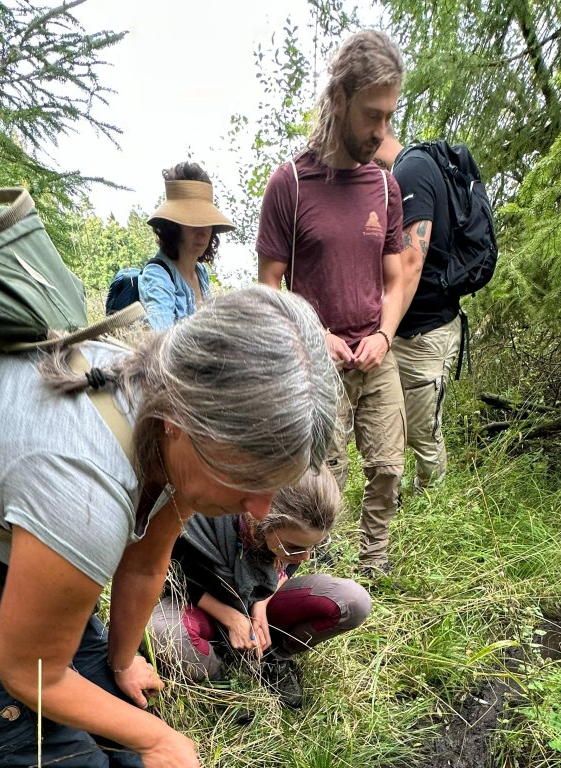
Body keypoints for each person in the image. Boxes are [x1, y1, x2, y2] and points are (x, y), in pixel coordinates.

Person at [0, 287, 337, 768]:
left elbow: (146, 565)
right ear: (186, 423)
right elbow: (29, 672)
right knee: (49, 742)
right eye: (251, 479)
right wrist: (155, 736)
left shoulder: (157, 406)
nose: (259, 509)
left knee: (97, 673)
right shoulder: (83, 488)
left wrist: (121, 661)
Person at [257, 30, 407, 580]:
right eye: (372, 115)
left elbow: (394, 279)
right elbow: (269, 285)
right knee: (326, 474)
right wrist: (312, 333)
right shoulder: (291, 184)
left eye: (389, 116)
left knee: (388, 466)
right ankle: (317, 566)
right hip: (318, 361)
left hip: (376, 351)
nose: (381, 132)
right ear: (339, 99)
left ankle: (374, 563)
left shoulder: (387, 188)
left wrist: (385, 336)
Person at [148, 467, 372, 709]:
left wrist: (261, 604)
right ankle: (222, 680)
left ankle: (273, 658)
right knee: (160, 629)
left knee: (353, 601)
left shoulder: (292, 540)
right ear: (262, 517)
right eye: (295, 547)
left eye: (314, 546)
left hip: (258, 603)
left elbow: (284, 569)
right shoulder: (201, 516)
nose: (305, 557)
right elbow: (176, 575)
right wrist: (231, 618)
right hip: (202, 604)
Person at [374, 133, 462, 491]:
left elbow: (411, 262)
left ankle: (430, 510)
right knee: (395, 426)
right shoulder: (415, 167)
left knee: (423, 434)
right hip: (417, 329)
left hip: (425, 332)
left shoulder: (410, 171)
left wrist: (383, 331)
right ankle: (401, 503)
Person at [139, 161, 234, 330]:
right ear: (173, 226)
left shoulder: (200, 272)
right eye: (193, 222)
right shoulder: (157, 276)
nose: (203, 231)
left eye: (207, 222)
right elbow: (161, 342)